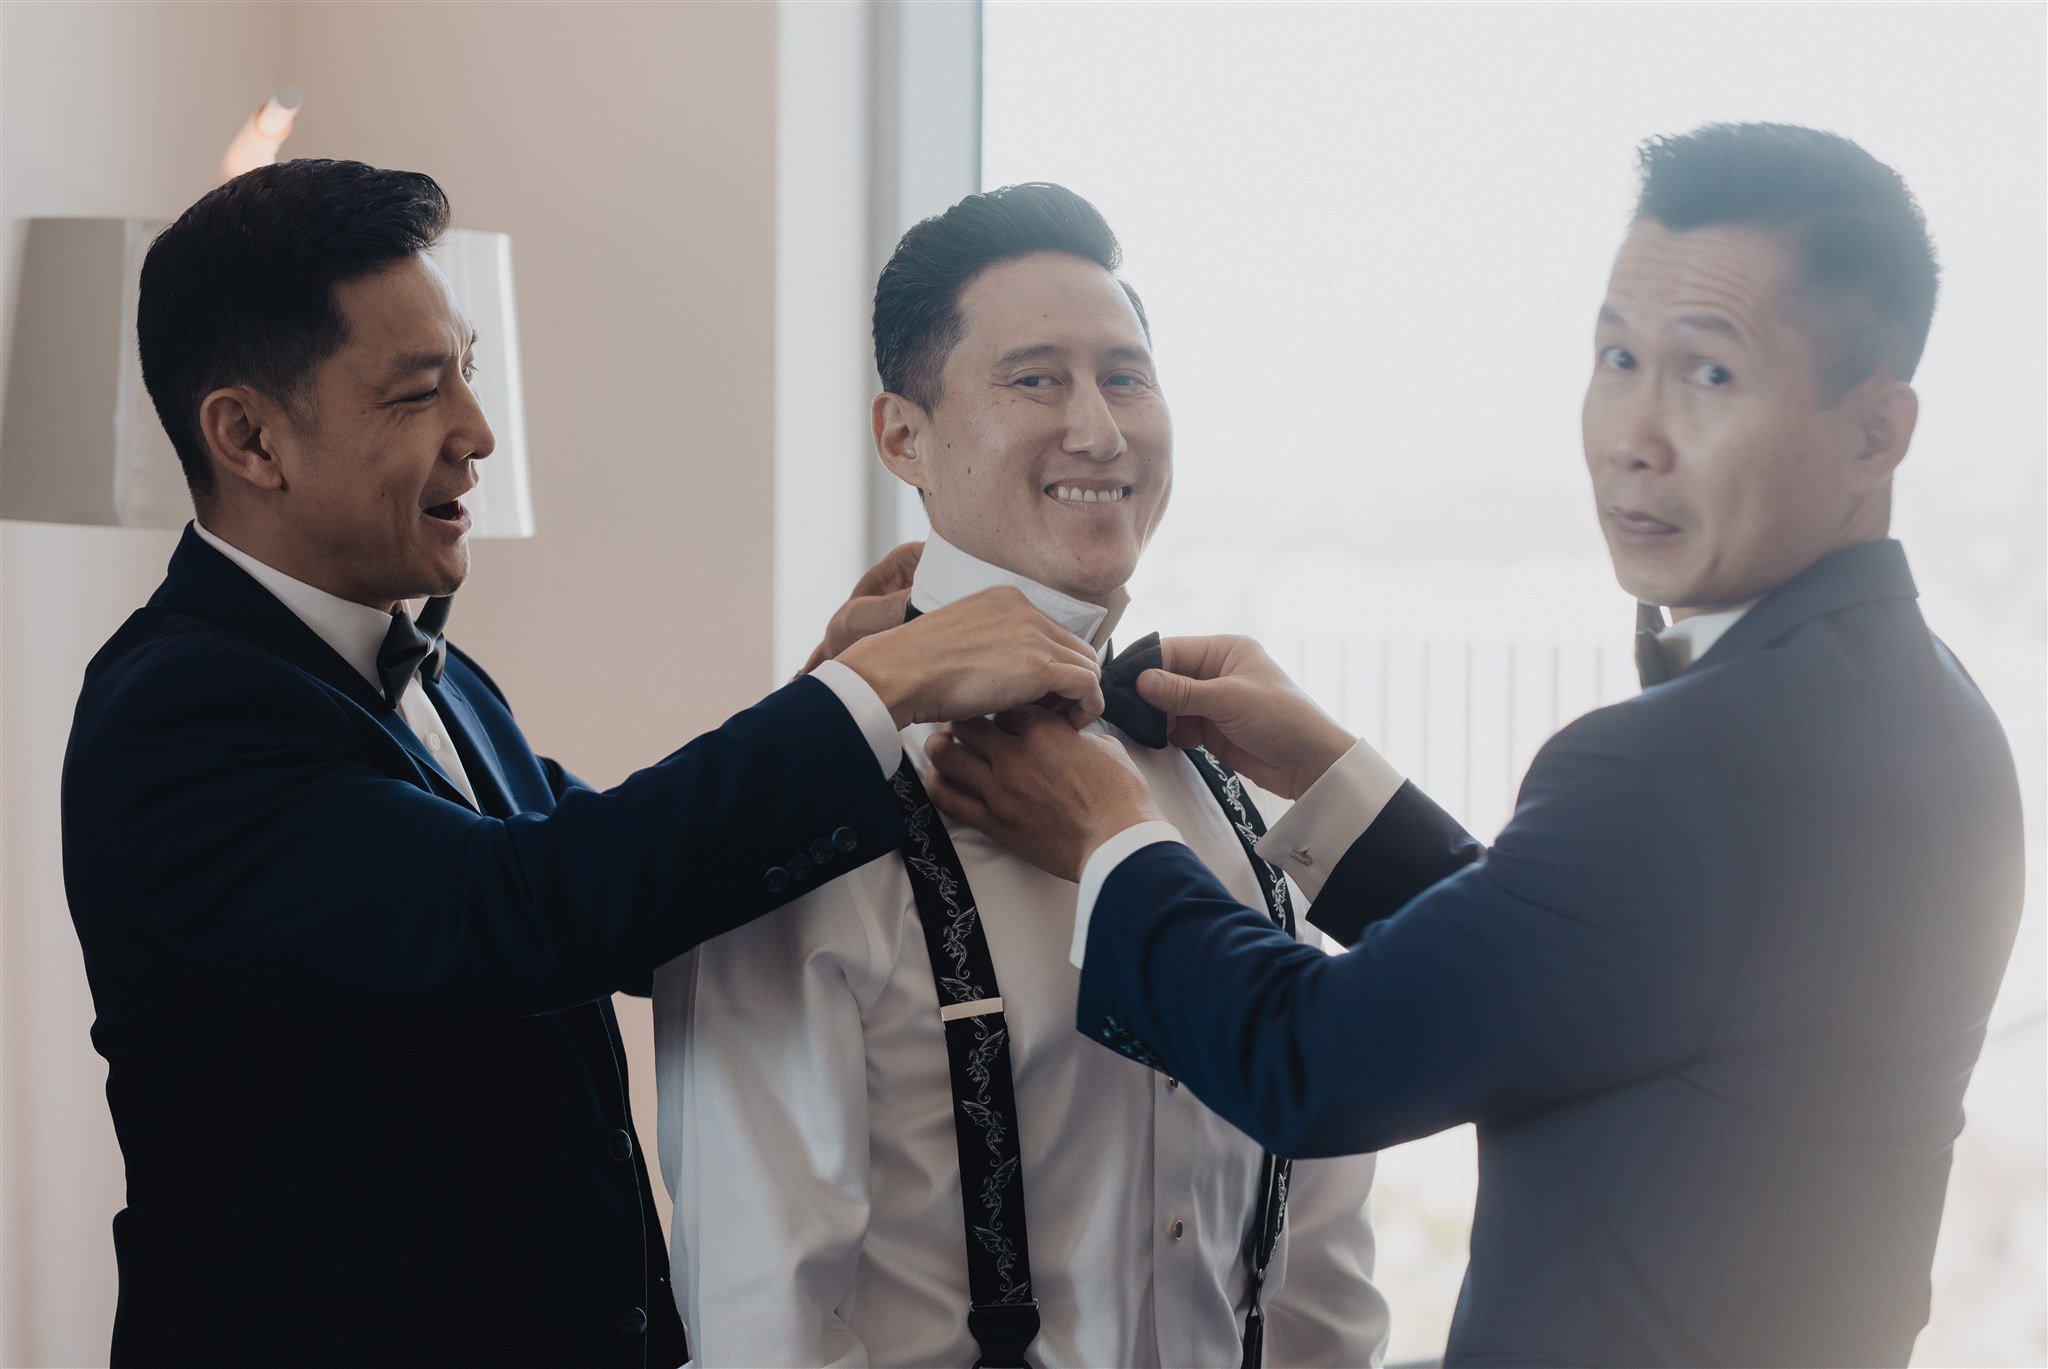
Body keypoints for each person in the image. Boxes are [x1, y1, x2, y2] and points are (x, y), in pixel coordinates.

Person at [922, 125, 2027, 1367]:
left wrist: (1106, 833)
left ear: (1875, 431)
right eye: (1616, 357)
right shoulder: (1937, 716)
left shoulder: (1683, 765)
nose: (1632, 433)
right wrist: (1332, 779)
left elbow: (1310, 1061)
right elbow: (1585, 963)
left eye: (1708, 374)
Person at [61, 158, 1105, 1368]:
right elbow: (518, 911)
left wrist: (833, 691)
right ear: (248, 436)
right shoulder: (176, 713)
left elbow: (627, 900)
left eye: (467, 370)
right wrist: (870, 692)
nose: (477, 432)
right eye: (417, 393)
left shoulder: (434, 671)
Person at [653, 183, 1387, 1368]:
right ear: (902, 436)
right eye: (1036, 379)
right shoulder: (797, 821)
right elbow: (762, 1317)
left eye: (1125, 377)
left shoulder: (1240, 772)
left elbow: (1320, 1262)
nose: (1098, 431)